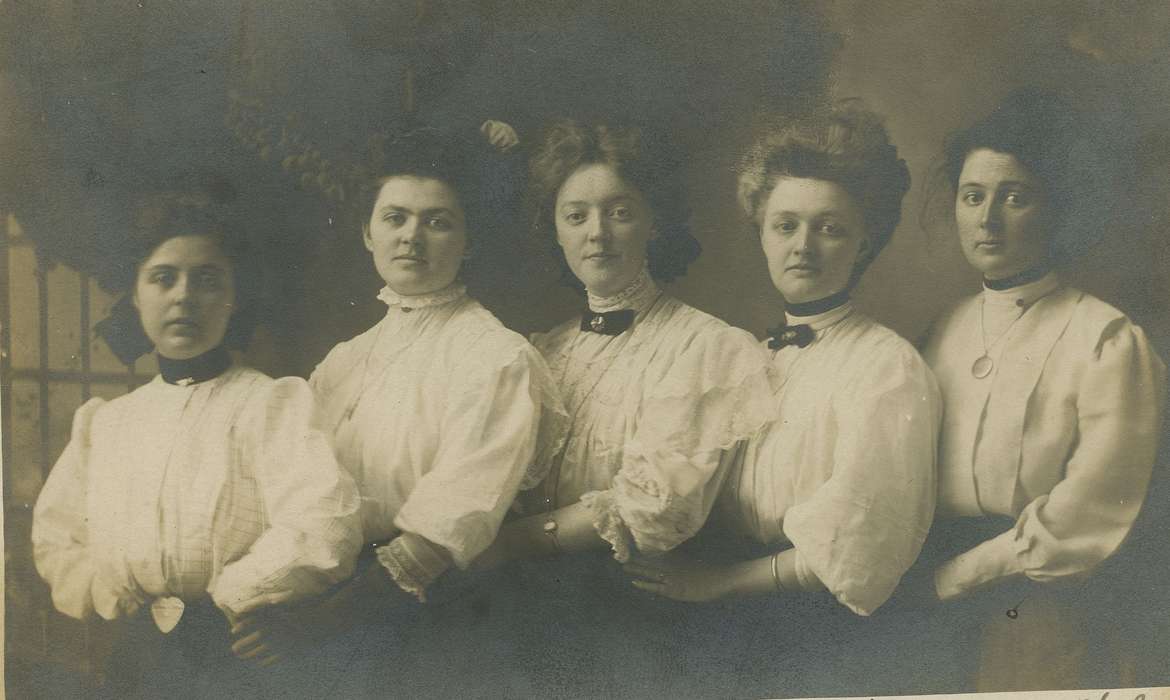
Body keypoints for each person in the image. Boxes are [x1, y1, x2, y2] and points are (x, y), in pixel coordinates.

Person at [624, 105, 942, 697]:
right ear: (761, 233)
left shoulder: (887, 367)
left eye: (830, 228)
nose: (804, 246)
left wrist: (718, 584)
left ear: (865, 241)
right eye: (785, 225)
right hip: (717, 601)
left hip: (812, 628)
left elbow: (862, 537)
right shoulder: (746, 354)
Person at [469, 119, 777, 697]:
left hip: (637, 623)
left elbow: (654, 507)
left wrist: (509, 543)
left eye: (620, 211)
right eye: (576, 215)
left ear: (654, 222)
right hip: (523, 611)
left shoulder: (706, 346)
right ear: (556, 232)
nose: (597, 235)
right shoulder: (541, 351)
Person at [31, 195, 363, 699]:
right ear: (136, 297)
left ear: (235, 299)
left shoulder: (271, 405)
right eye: (163, 278)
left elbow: (323, 524)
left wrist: (232, 596)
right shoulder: (108, 423)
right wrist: (112, 592)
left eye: (207, 281)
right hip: (136, 652)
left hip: (238, 652)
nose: (184, 297)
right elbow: (56, 537)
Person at [284, 126, 565, 698]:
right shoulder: (342, 361)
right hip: (329, 599)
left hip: (435, 617)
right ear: (367, 232)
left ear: (470, 240)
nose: (412, 236)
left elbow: (455, 513)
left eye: (437, 221)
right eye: (395, 218)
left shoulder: (495, 355)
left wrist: (332, 617)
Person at [922, 88, 1167, 691]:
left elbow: (1091, 507)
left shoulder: (1105, 337)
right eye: (972, 196)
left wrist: (958, 573)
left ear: (1057, 209)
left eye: (1015, 198)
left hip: (1042, 605)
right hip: (929, 607)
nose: (987, 220)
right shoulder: (942, 330)